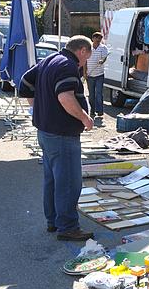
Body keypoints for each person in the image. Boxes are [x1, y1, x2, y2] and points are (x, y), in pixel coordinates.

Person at [19, 35, 95, 241]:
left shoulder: (50, 60)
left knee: (52, 180)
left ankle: (53, 221)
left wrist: (39, 108)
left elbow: (24, 83)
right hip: (62, 134)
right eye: (87, 57)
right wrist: (85, 118)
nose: (85, 62)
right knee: (69, 182)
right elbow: (65, 97)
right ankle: (68, 226)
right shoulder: (68, 66)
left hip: (46, 132)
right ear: (82, 51)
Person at [85, 32, 109, 118]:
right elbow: (85, 61)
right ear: (93, 39)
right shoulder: (88, 47)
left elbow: (104, 57)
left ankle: (100, 110)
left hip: (99, 74)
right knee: (91, 94)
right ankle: (92, 110)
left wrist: (102, 61)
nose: (98, 40)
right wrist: (84, 73)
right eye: (97, 38)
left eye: (100, 39)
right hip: (90, 75)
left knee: (99, 93)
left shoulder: (103, 48)